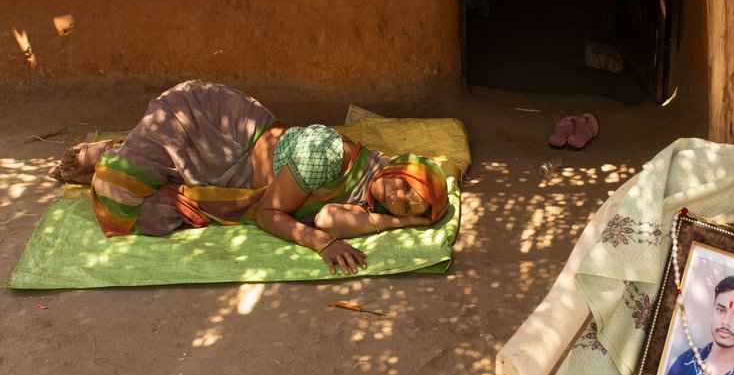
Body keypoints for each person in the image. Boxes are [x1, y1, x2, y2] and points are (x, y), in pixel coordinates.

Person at [48, 80, 449, 275]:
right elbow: (270, 215)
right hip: (214, 130)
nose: (399, 198)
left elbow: (329, 218)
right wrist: (321, 244)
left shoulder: (367, 195)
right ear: (401, 167)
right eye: (407, 188)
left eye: (410, 206)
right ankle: (110, 153)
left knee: (153, 211)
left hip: (227, 174)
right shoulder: (327, 152)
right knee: (116, 196)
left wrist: (400, 221)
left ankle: (127, 153)